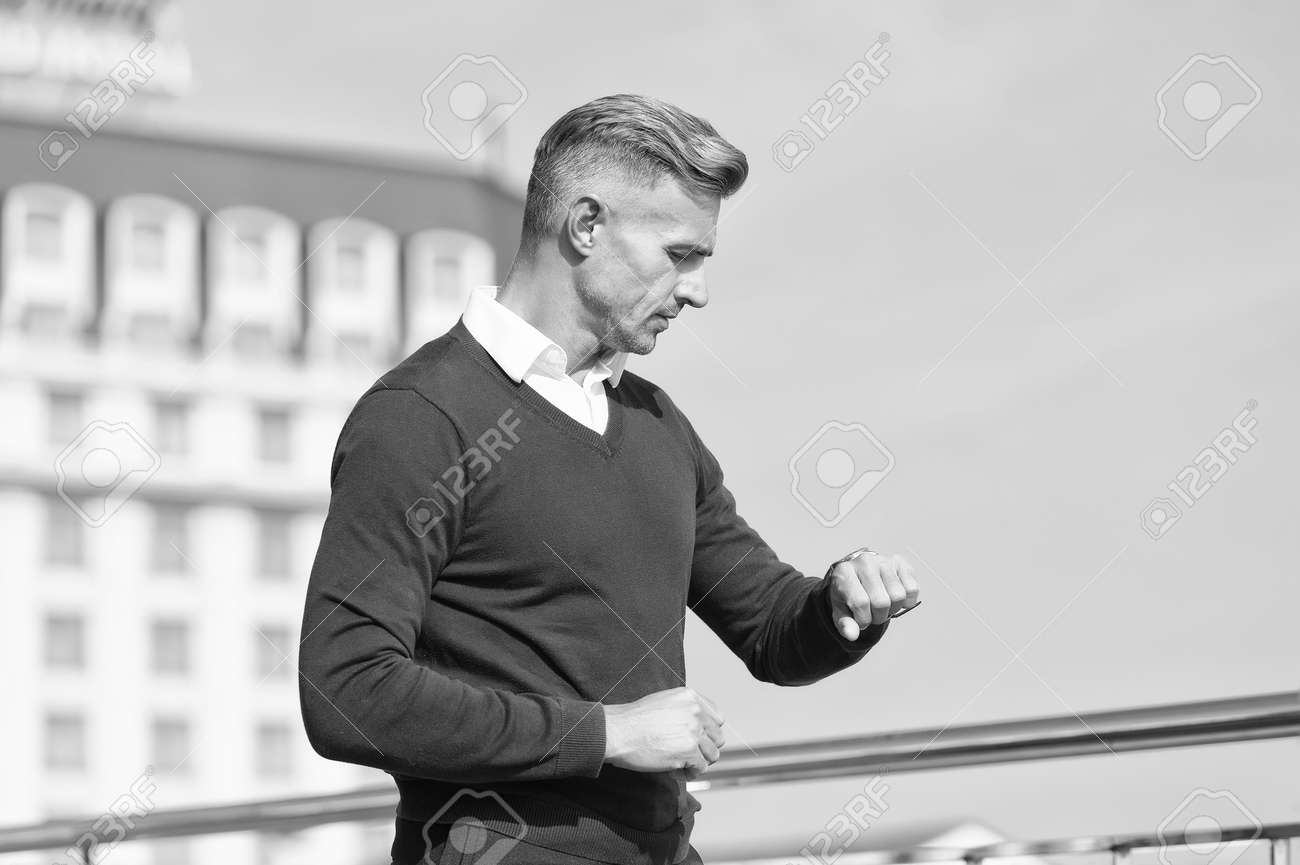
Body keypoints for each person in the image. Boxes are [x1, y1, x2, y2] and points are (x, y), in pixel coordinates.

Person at [298, 93, 921, 865]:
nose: (696, 289)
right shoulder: (421, 415)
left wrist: (841, 602)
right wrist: (607, 733)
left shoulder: (657, 424)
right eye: (680, 254)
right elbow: (345, 689)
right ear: (587, 225)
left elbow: (771, 628)